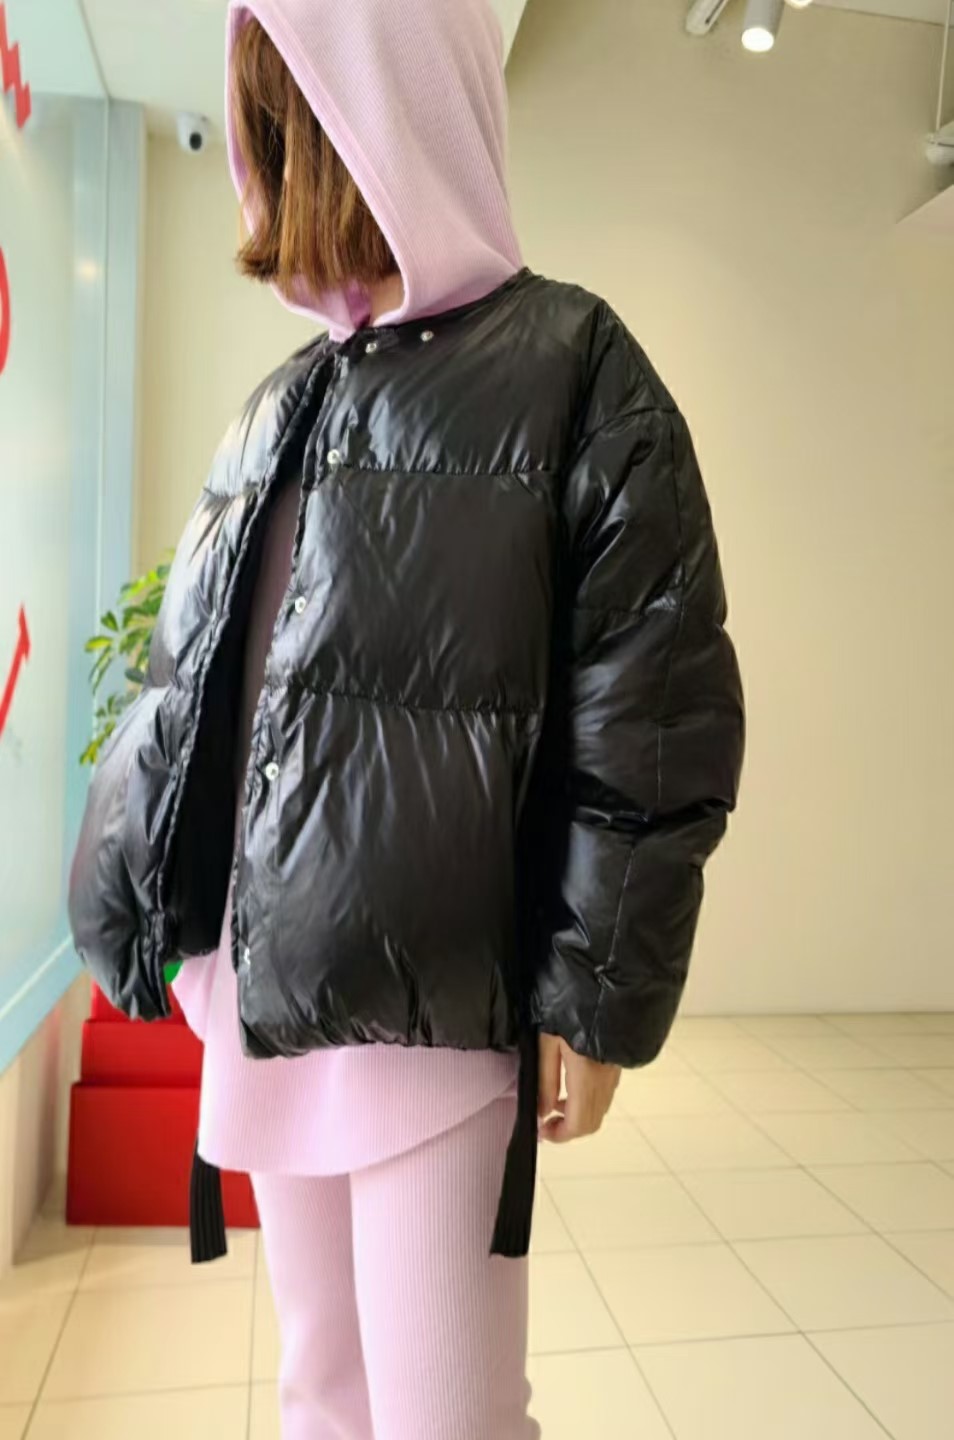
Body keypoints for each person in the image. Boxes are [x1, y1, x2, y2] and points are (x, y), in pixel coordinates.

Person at [68, 0, 745, 1435]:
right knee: (320, 1386)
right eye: (263, 124)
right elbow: (188, 684)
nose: (271, 158)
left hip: (435, 1005)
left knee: (448, 1414)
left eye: (294, 117)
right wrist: (130, 902)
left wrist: (597, 998)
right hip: (264, 987)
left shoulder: (573, 367)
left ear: (393, 110)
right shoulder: (282, 401)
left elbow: (650, 703)